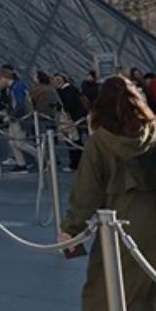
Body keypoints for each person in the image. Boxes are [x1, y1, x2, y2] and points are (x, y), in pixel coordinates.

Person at [60, 76, 156, 309]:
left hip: (121, 222)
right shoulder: (153, 132)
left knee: (108, 287)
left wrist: (71, 229)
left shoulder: (101, 142)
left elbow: (87, 192)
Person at [0, 66, 36, 172]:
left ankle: (43, 157)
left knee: (20, 142)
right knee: (13, 142)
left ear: (5, 77)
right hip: (15, 118)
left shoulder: (17, 87)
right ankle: (21, 164)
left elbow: (20, 104)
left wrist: (11, 116)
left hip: (19, 118)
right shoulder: (13, 87)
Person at [54, 72, 87, 171]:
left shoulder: (65, 91)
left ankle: (75, 163)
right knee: (76, 141)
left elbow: (68, 106)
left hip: (71, 119)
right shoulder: (73, 89)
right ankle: (79, 162)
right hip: (78, 118)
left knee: (73, 141)